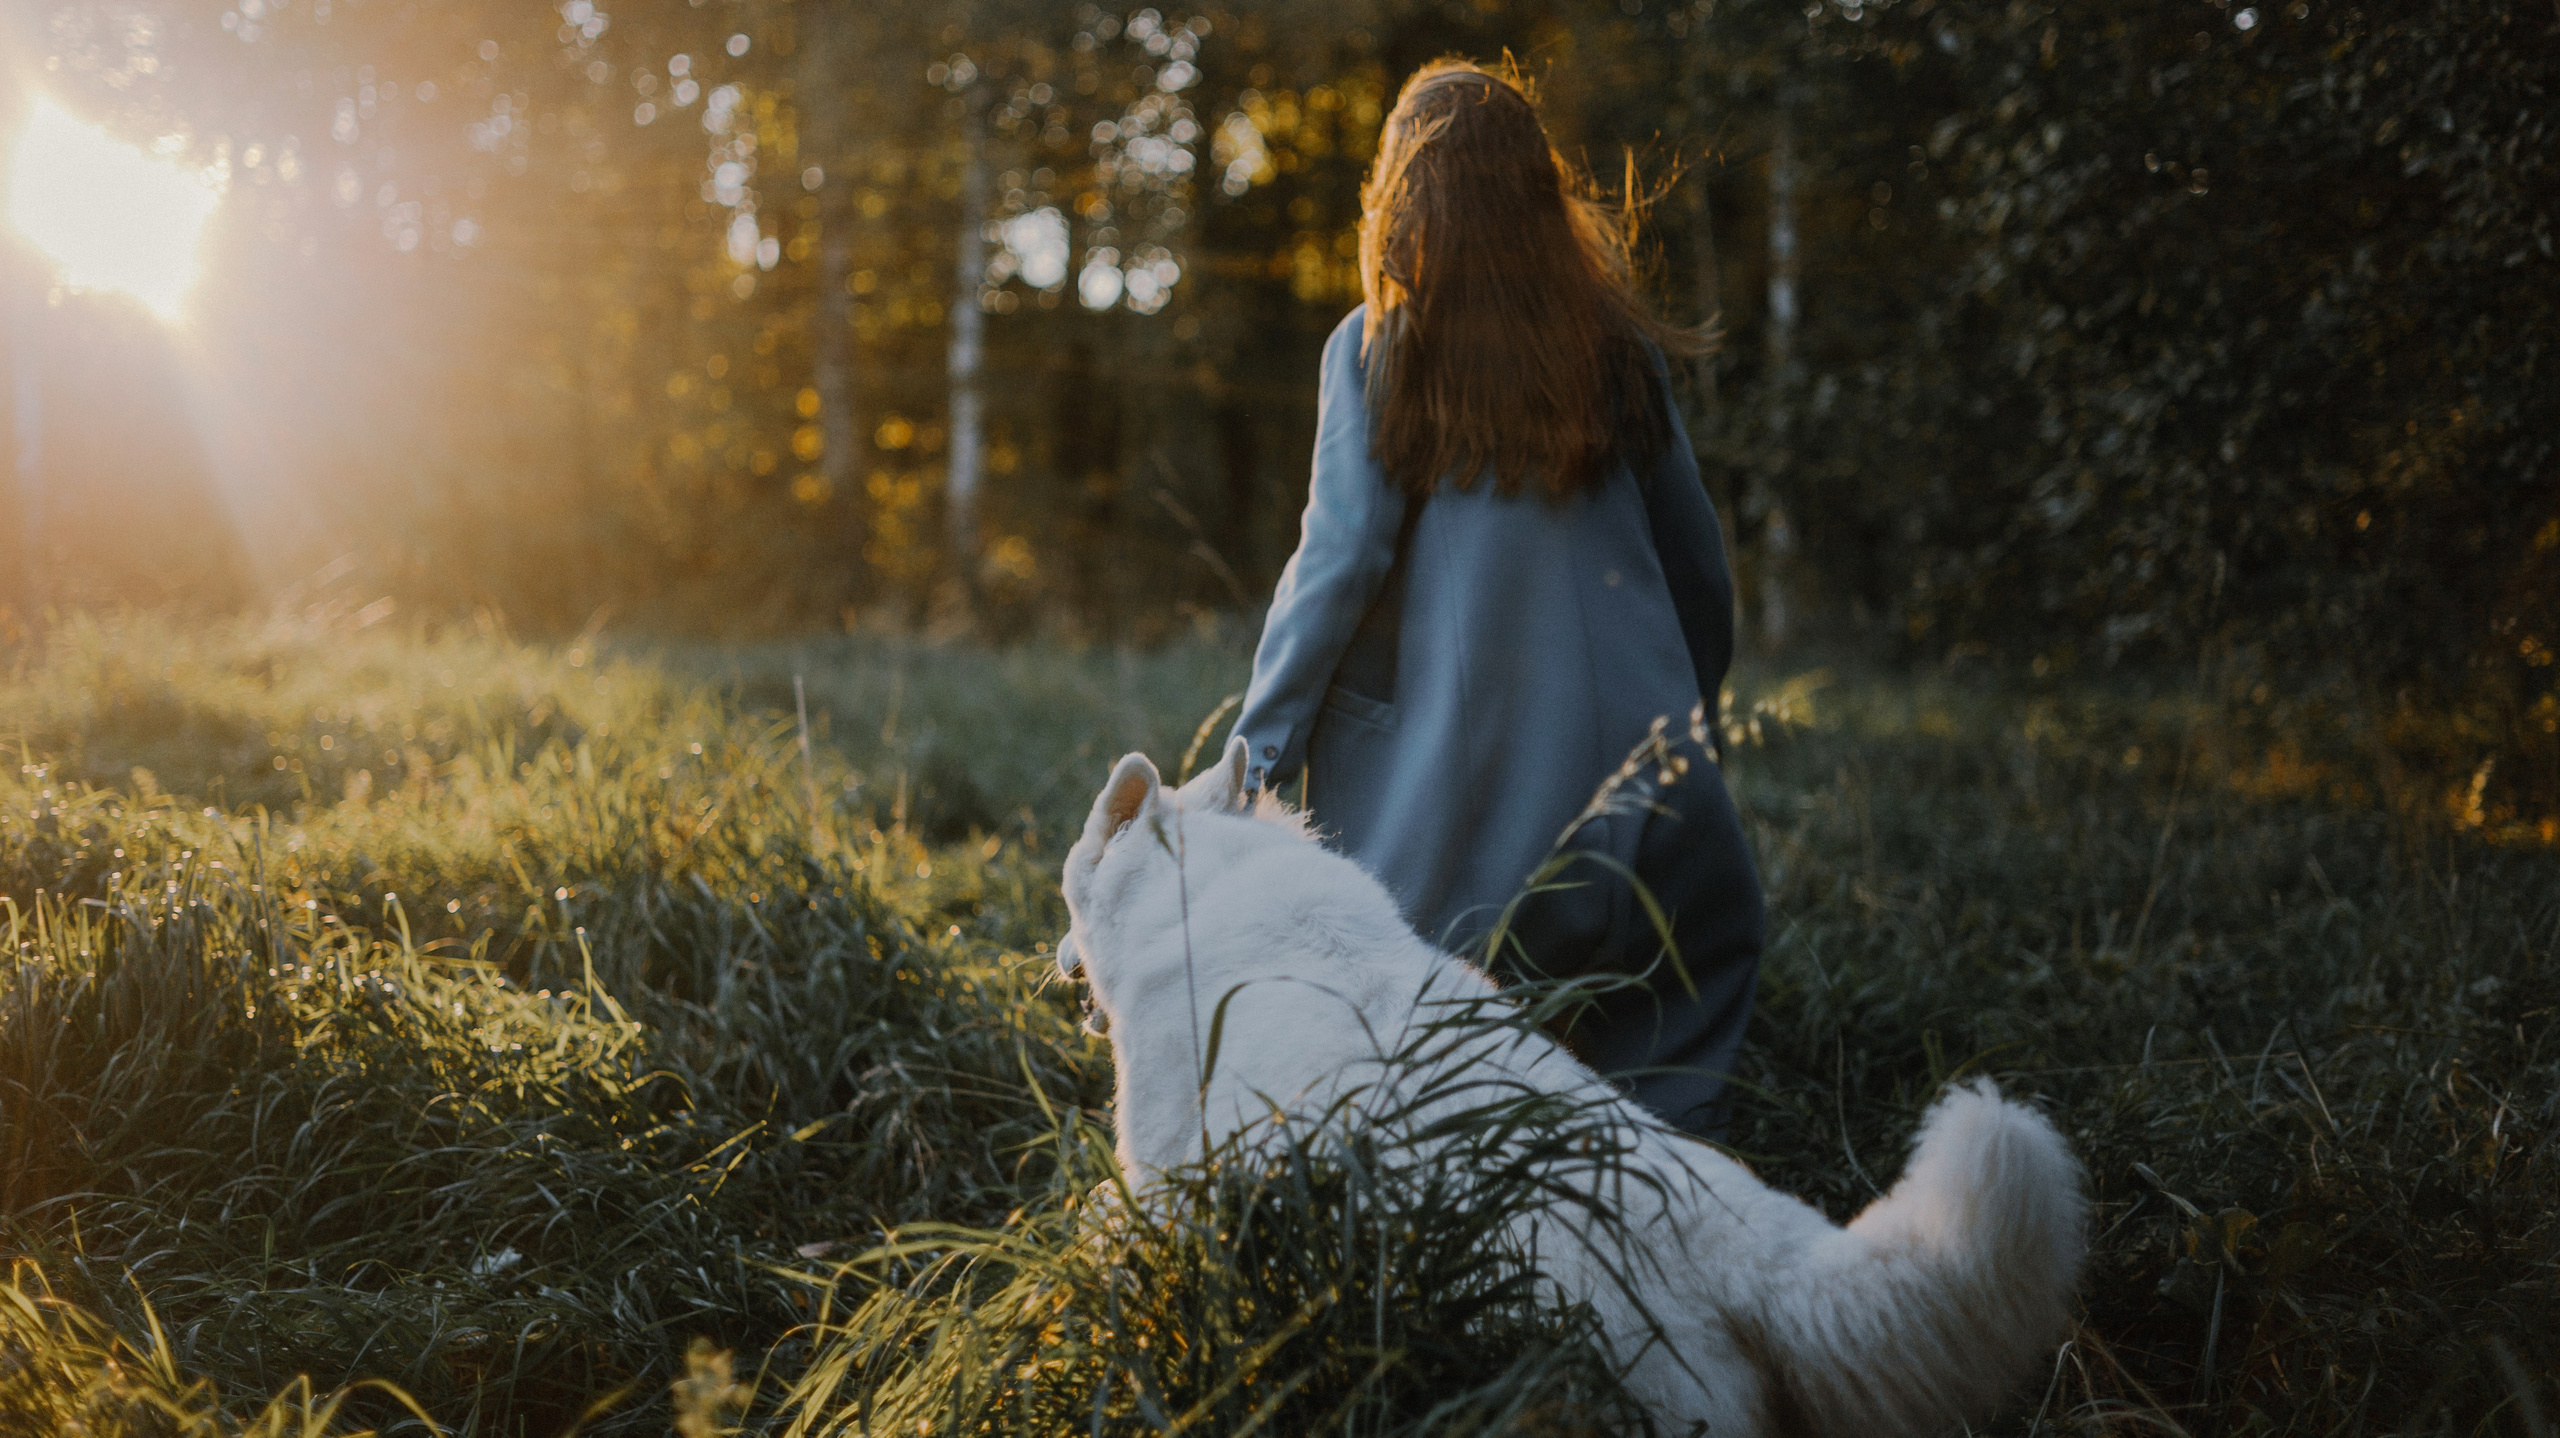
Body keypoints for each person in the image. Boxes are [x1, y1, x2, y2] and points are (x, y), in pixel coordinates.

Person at [1227, 58, 1764, 1138]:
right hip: (1665, 823)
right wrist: (1684, 735)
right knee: (1664, 1107)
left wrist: (1255, 757)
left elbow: (1334, 566)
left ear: (1401, 199)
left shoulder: (1381, 347)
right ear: (1540, 199)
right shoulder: (1619, 353)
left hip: (1474, 833)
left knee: (1439, 1092)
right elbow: (1700, 573)